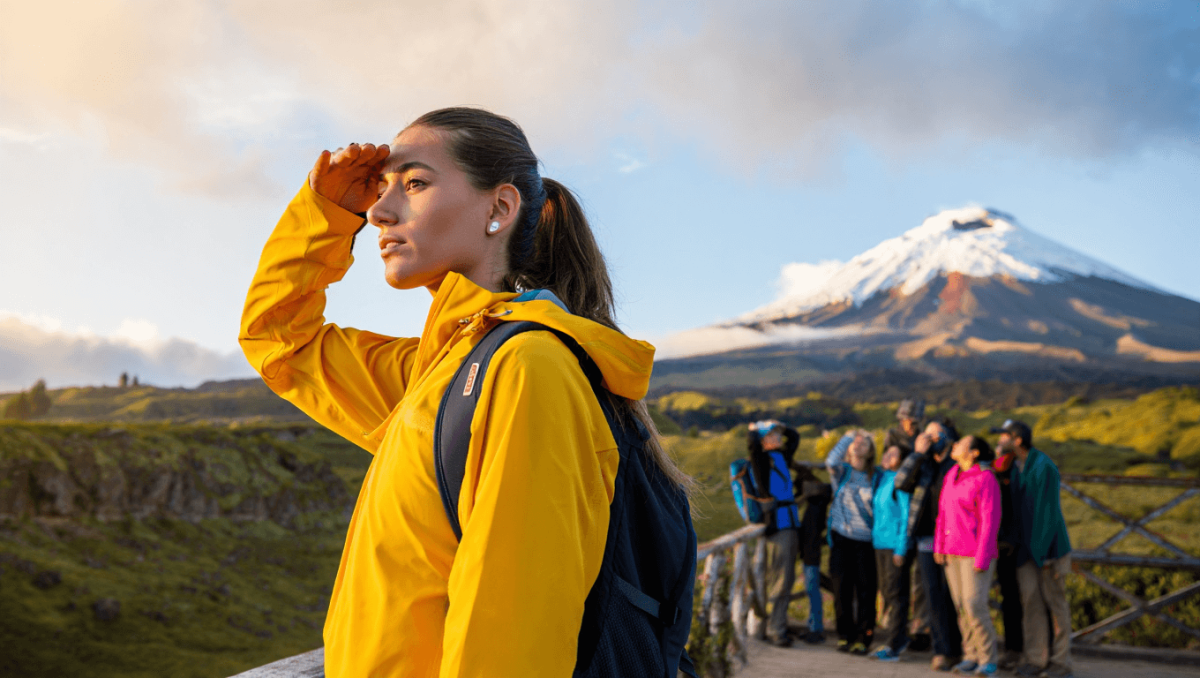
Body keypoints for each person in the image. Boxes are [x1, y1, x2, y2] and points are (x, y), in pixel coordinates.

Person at [239, 108, 693, 677]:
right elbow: (279, 340)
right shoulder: (436, 373)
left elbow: (508, 636)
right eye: (381, 189)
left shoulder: (526, 369)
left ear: (499, 209)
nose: (378, 212)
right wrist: (325, 213)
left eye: (415, 183)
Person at [996, 420, 1074, 678]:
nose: (1000, 440)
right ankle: (1035, 659)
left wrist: (1044, 555)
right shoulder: (1016, 467)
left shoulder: (1044, 467)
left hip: (1050, 550)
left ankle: (1061, 662)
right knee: (1031, 603)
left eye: (1004, 436)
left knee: (1056, 604)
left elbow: (1048, 514)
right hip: (1026, 551)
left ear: (1017, 440)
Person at [895, 419, 964, 671]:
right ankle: (943, 650)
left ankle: (961, 649)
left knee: (954, 596)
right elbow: (901, 483)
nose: (929, 439)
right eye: (927, 434)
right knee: (934, 596)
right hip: (926, 539)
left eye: (935, 435)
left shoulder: (956, 465)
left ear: (948, 439)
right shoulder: (921, 463)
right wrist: (916, 454)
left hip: (954, 540)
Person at [935, 435, 1002, 676]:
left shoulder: (986, 479)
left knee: (975, 604)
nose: (954, 445)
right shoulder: (952, 475)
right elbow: (943, 513)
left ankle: (988, 658)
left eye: (960, 443)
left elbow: (990, 520)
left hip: (975, 552)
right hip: (951, 552)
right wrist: (939, 545)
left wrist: (982, 557)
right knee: (961, 606)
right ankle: (970, 655)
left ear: (974, 453)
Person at [747, 420, 802, 646]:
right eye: (772, 435)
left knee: (784, 577)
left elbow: (795, 436)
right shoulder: (762, 461)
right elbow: (752, 447)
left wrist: (780, 425)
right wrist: (753, 431)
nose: (778, 437)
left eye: (778, 434)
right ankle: (775, 630)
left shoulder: (781, 456)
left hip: (789, 523)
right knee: (781, 578)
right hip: (778, 524)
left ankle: (772, 626)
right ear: (763, 441)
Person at [884, 398, 933, 651]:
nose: (908, 424)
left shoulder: (927, 437)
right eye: (905, 419)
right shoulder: (892, 436)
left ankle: (921, 627)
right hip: (899, 507)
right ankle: (894, 626)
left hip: (922, 509)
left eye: (913, 420)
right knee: (896, 576)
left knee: (921, 577)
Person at [826, 429, 878, 656]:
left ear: (870, 451)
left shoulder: (875, 476)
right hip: (841, 539)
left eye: (863, 443)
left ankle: (863, 637)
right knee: (841, 590)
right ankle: (844, 635)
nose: (858, 446)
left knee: (866, 591)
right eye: (854, 443)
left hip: (865, 542)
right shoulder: (841, 472)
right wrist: (847, 436)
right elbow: (830, 460)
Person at [870, 445, 913, 662]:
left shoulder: (901, 481)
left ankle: (894, 644)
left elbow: (906, 515)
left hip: (894, 545)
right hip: (879, 544)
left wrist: (901, 547)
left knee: (896, 595)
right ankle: (898, 637)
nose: (887, 456)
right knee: (887, 592)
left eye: (893, 454)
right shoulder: (883, 478)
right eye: (886, 452)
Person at [993, 437, 1025, 670]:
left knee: (1013, 600)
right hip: (994, 545)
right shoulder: (994, 471)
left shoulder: (1020, 472)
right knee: (1007, 599)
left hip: (1013, 547)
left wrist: (1012, 538)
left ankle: (1016, 650)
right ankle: (1007, 650)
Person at [794, 465, 832, 645]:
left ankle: (816, 628)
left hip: (810, 554)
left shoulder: (814, 507)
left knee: (812, 591)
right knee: (813, 590)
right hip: (811, 552)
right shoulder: (820, 505)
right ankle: (813, 625)